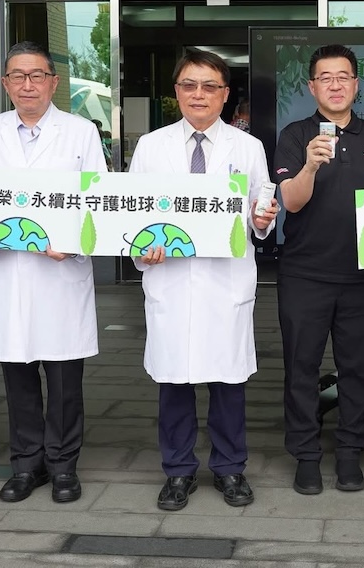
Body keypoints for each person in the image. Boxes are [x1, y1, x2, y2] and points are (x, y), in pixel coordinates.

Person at [131, 50, 277, 511]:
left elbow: (261, 212)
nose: (199, 94)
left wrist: (263, 219)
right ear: (176, 92)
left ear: (225, 94)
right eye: (189, 85)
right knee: (174, 381)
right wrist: (142, 247)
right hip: (171, 280)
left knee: (228, 381)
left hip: (224, 282)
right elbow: (134, 214)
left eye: (210, 86)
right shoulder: (151, 146)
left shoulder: (247, 147)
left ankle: (230, 467)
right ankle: (177, 471)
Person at [0, 41, 104, 504]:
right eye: (18, 76)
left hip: (60, 274)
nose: (28, 85)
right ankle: (26, 464)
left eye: (37, 75)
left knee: (64, 381)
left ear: (53, 82)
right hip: (9, 275)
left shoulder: (81, 132)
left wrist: (75, 243)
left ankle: (63, 466)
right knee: (18, 376)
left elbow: (97, 201)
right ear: (5, 84)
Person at [273, 45, 364, 496]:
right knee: (301, 367)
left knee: (358, 369)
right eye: (326, 77)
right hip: (304, 273)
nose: (335, 85)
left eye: (343, 77)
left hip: (362, 275)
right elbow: (292, 202)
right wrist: (309, 165)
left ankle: (350, 451)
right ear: (312, 86)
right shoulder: (296, 134)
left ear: (356, 84)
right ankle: (305, 454)